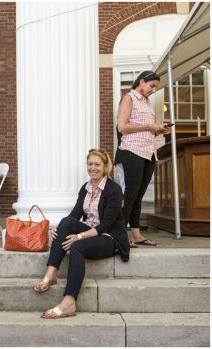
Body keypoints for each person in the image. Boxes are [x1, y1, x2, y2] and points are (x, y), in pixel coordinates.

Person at [33, 149, 129, 319]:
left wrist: (79, 236)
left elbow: (106, 225)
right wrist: (59, 228)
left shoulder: (113, 190)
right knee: (65, 222)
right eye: (90, 164)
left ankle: (69, 301)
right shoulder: (85, 188)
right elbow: (75, 215)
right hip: (91, 231)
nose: (93, 168)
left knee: (77, 247)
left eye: (97, 165)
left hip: (110, 237)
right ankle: (51, 272)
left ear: (105, 167)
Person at [115, 71, 169, 247]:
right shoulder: (128, 98)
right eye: (152, 85)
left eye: (156, 87)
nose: (153, 90)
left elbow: (146, 128)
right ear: (142, 81)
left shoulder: (147, 102)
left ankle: (137, 235)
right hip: (131, 151)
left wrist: (157, 129)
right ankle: (120, 234)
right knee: (130, 194)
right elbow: (122, 126)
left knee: (138, 195)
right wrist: (149, 126)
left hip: (148, 152)